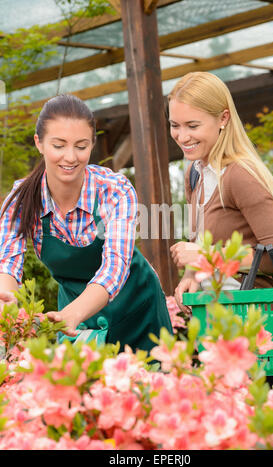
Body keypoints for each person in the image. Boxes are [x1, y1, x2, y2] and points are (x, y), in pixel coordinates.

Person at [0, 94, 172, 353]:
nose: (70, 157)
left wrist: (73, 314)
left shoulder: (115, 190)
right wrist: (7, 303)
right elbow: (7, 264)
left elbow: (115, 267)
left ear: (92, 144)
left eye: (81, 146)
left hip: (139, 311)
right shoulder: (21, 198)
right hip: (74, 317)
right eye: (59, 145)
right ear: (39, 143)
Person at [168, 71, 273, 390]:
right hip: (217, 326)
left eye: (192, 125)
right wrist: (190, 276)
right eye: (175, 125)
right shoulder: (196, 175)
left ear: (223, 118)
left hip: (257, 333)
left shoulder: (239, 176)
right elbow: (203, 241)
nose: (182, 136)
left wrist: (206, 256)